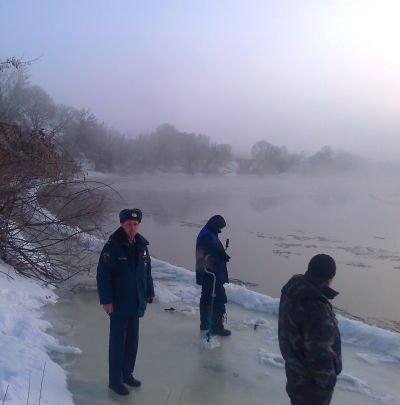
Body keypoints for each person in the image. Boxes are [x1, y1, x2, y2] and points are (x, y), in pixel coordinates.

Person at [96, 208, 155, 396]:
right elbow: (103, 275)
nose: (132, 227)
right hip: (119, 302)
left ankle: (127, 374)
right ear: (122, 224)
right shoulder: (112, 246)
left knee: (132, 342)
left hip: (136, 301)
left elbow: (146, 272)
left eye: (135, 224)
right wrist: (106, 300)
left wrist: (150, 292)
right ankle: (115, 381)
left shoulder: (142, 245)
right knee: (117, 344)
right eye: (129, 224)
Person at [278, 254, 342, 405]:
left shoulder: (294, 288)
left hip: (295, 373)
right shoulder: (316, 308)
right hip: (311, 386)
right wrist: (327, 383)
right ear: (329, 278)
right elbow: (319, 353)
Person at [196, 214, 231, 336]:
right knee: (218, 298)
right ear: (215, 225)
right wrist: (221, 254)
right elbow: (211, 249)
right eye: (220, 227)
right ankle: (217, 327)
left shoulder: (209, 232)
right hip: (211, 273)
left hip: (207, 272)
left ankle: (205, 324)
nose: (221, 230)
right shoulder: (207, 235)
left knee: (206, 297)